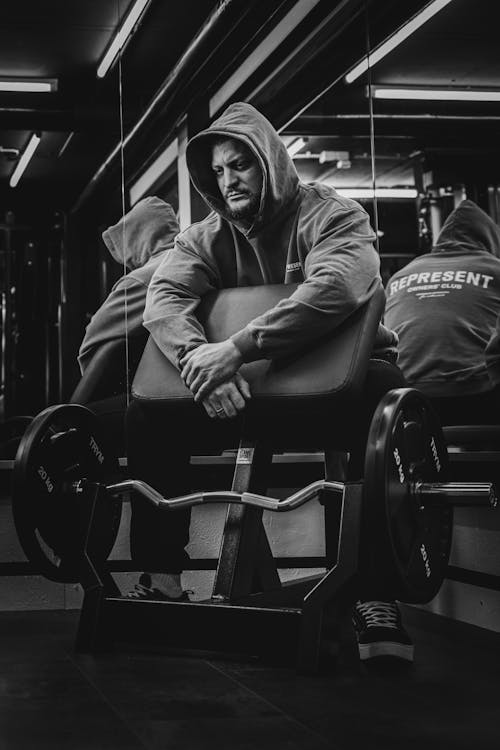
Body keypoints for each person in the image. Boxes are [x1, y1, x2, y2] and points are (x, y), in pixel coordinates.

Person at [126, 102, 411, 661]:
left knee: (384, 399)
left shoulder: (333, 216)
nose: (228, 180)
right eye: (218, 172)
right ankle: (161, 580)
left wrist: (235, 349)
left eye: (241, 166)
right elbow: (164, 300)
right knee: (147, 413)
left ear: (271, 163)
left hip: (338, 385)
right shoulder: (203, 238)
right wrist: (200, 364)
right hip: (244, 388)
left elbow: (338, 285)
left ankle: (374, 595)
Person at [75, 197, 179, 449]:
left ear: (140, 236)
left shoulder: (141, 280)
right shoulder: (192, 262)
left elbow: (94, 344)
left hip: (156, 399)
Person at [384, 199, 500, 425]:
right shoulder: (495, 270)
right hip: (475, 393)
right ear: (490, 240)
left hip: (404, 397)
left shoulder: (400, 276)